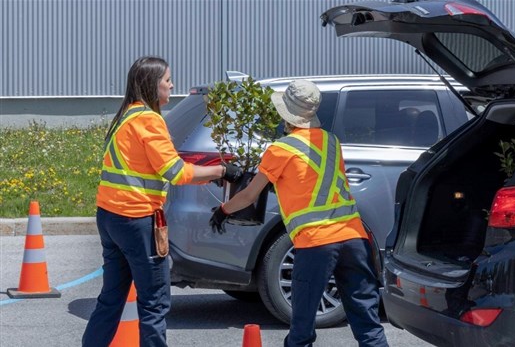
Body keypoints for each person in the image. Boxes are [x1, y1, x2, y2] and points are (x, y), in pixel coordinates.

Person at [209, 79, 389, 347]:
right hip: (354, 237)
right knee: (366, 321)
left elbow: (248, 195)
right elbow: (320, 184)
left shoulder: (280, 150)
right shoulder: (331, 141)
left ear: (286, 116)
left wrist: (223, 211)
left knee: (302, 327)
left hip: (316, 243)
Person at [82, 56, 241, 347]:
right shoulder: (149, 121)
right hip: (136, 220)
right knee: (154, 302)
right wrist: (220, 170)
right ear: (153, 85)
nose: (172, 85)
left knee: (110, 299)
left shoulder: (126, 117)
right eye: (168, 80)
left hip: (110, 216)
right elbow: (176, 172)